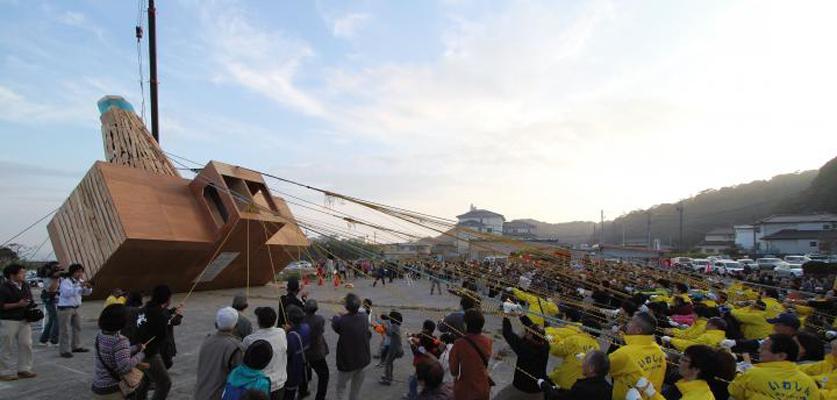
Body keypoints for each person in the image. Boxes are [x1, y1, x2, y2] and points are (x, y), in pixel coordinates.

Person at [728, 334, 820, 400]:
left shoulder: (752, 374)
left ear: (781, 356)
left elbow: (733, 391)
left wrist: (738, 372)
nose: (759, 350)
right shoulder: (809, 383)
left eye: (764, 349)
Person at [605, 312, 666, 400]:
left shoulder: (625, 353)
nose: (628, 323)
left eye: (631, 321)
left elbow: (599, 367)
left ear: (638, 330)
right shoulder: (659, 351)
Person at [134, 285, 179, 400]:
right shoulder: (159, 314)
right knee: (164, 383)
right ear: (167, 298)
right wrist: (174, 316)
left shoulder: (145, 308)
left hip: (137, 348)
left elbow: (159, 316)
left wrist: (171, 312)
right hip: (149, 353)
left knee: (146, 378)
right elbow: (162, 336)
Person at [92, 304, 146, 398]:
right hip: (113, 389)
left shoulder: (100, 335)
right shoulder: (120, 341)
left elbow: (115, 352)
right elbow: (125, 367)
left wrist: (135, 348)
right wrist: (141, 355)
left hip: (98, 386)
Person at [493, 314, 548, 400]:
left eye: (528, 332)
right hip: (539, 390)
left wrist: (506, 316)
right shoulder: (545, 344)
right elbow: (531, 327)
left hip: (522, 389)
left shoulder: (525, 349)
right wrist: (521, 315)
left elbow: (507, 333)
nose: (526, 332)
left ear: (530, 336)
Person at [195, 307, 245, 400]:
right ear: (236, 326)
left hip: (201, 394)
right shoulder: (235, 347)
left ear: (216, 324)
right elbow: (239, 378)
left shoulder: (207, 340)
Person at [331, 293, 372, 400]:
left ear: (346, 307)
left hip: (347, 364)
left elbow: (336, 323)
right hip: (363, 361)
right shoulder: (364, 317)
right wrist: (345, 315)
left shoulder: (341, 321)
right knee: (355, 390)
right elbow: (353, 319)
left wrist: (339, 315)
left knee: (341, 388)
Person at [0, 263, 36, 380]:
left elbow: (30, 298)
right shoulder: (3, 288)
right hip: (8, 319)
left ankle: (24, 369)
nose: (24, 274)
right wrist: (18, 304)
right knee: (7, 346)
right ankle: (4, 371)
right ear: (12, 275)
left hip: (24, 318)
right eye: (21, 272)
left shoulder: (25, 285)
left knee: (26, 344)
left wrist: (29, 303)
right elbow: (2, 306)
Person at [244, 307, 287, 400]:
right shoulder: (281, 332)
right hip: (279, 383)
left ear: (258, 321)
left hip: (259, 386)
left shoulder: (250, 339)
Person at [448, 309, 492, 400]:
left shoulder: (459, 343)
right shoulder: (488, 341)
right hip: (483, 387)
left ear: (466, 324)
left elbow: (454, 370)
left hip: (466, 390)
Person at [539, 350, 612, 400]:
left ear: (591, 369)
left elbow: (558, 399)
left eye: (585, 361)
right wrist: (559, 389)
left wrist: (544, 385)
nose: (582, 364)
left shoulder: (582, 388)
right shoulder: (608, 389)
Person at [57, 263, 92, 358]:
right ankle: (65, 350)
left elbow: (86, 293)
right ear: (72, 272)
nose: (80, 274)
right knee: (65, 330)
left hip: (76, 307)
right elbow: (67, 293)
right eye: (78, 272)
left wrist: (88, 288)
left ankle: (76, 346)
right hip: (65, 308)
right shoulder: (66, 281)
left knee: (78, 327)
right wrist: (80, 287)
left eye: (81, 272)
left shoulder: (80, 281)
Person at [302, 299, 329, 400]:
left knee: (304, 371)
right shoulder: (320, 319)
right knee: (324, 375)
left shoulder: (302, 319)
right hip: (316, 352)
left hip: (305, 351)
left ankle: (303, 391)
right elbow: (322, 330)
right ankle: (320, 397)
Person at [283, 305, 310, 400]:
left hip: (292, 369)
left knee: (288, 394)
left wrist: (286, 332)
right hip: (302, 365)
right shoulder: (306, 327)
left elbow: (286, 354)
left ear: (290, 320)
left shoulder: (291, 337)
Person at [37, 261, 61, 347]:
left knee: (52, 320)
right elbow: (52, 289)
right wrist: (56, 279)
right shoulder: (47, 277)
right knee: (56, 319)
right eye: (57, 268)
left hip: (54, 299)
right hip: (49, 299)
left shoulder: (53, 276)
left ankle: (43, 340)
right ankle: (54, 340)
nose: (59, 270)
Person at [380, 310, 404, 385]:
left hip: (394, 349)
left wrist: (384, 327)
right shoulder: (396, 326)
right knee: (390, 362)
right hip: (396, 347)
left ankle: (388, 379)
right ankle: (389, 376)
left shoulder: (394, 326)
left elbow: (389, 333)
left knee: (388, 363)